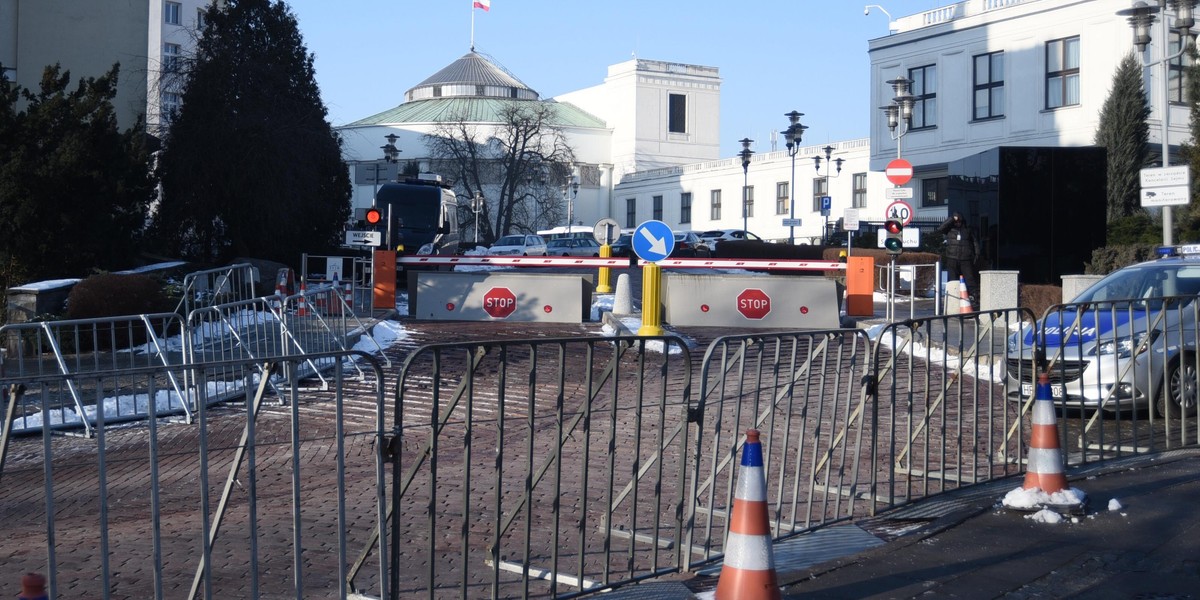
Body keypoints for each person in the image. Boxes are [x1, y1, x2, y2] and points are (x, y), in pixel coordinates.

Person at [937, 212, 979, 308]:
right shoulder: (949, 229)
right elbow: (940, 228)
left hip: (966, 258)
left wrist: (977, 253)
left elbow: (974, 241)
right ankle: (954, 300)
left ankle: (974, 298)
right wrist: (952, 219)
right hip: (952, 257)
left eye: (959, 221)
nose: (957, 223)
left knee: (970, 279)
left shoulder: (967, 229)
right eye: (956, 221)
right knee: (953, 280)